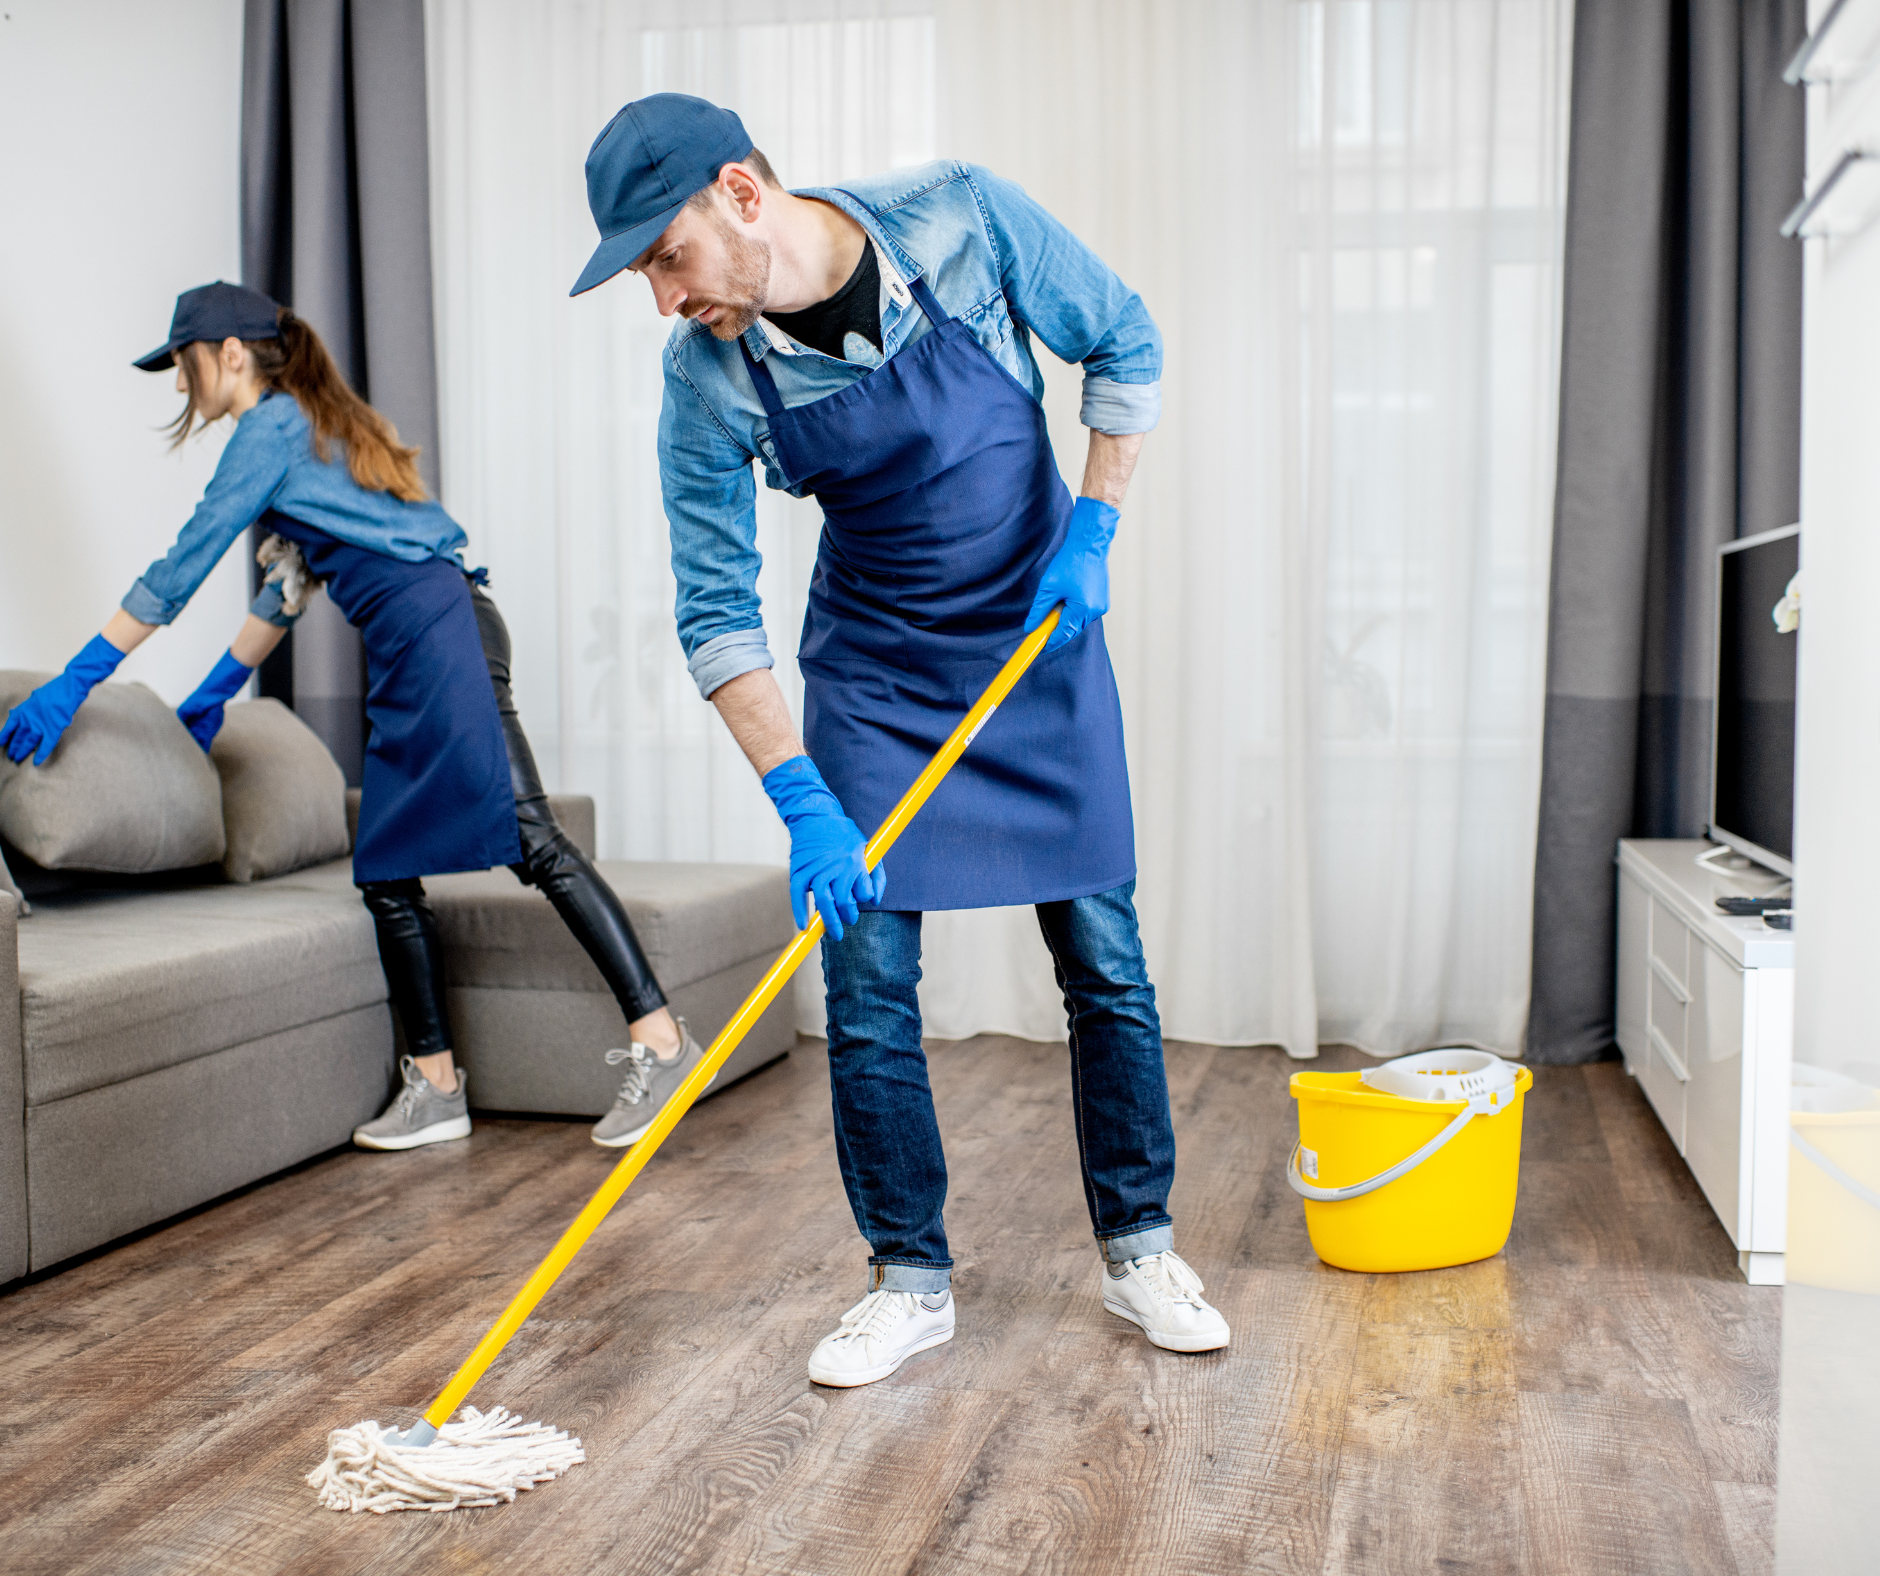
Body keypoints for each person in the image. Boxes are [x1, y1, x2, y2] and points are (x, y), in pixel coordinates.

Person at [573, 94, 1230, 1387]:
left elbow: (1125, 337)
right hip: (877, 675)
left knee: (1104, 955)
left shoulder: (961, 221)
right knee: (868, 983)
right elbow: (716, 610)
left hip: (1038, 644)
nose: (662, 299)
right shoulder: (708, 377)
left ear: (741, 196)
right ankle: (909, 1277)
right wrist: (804, 798)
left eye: (666, 258)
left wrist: (1093, 529)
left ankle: (1140, 1246)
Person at [0, 281, 709, 1152]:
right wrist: (213, 694)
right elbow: (288, 588)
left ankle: (663, 1042)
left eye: (183, 366)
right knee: (383, 869)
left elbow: (179, 569)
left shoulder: (273, 427)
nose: (181, 388)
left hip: (435, 634)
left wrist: (75, 682)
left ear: (227, 354)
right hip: (427, 637)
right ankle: (437, 1085)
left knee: (531, 837)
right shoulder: (312, 428)